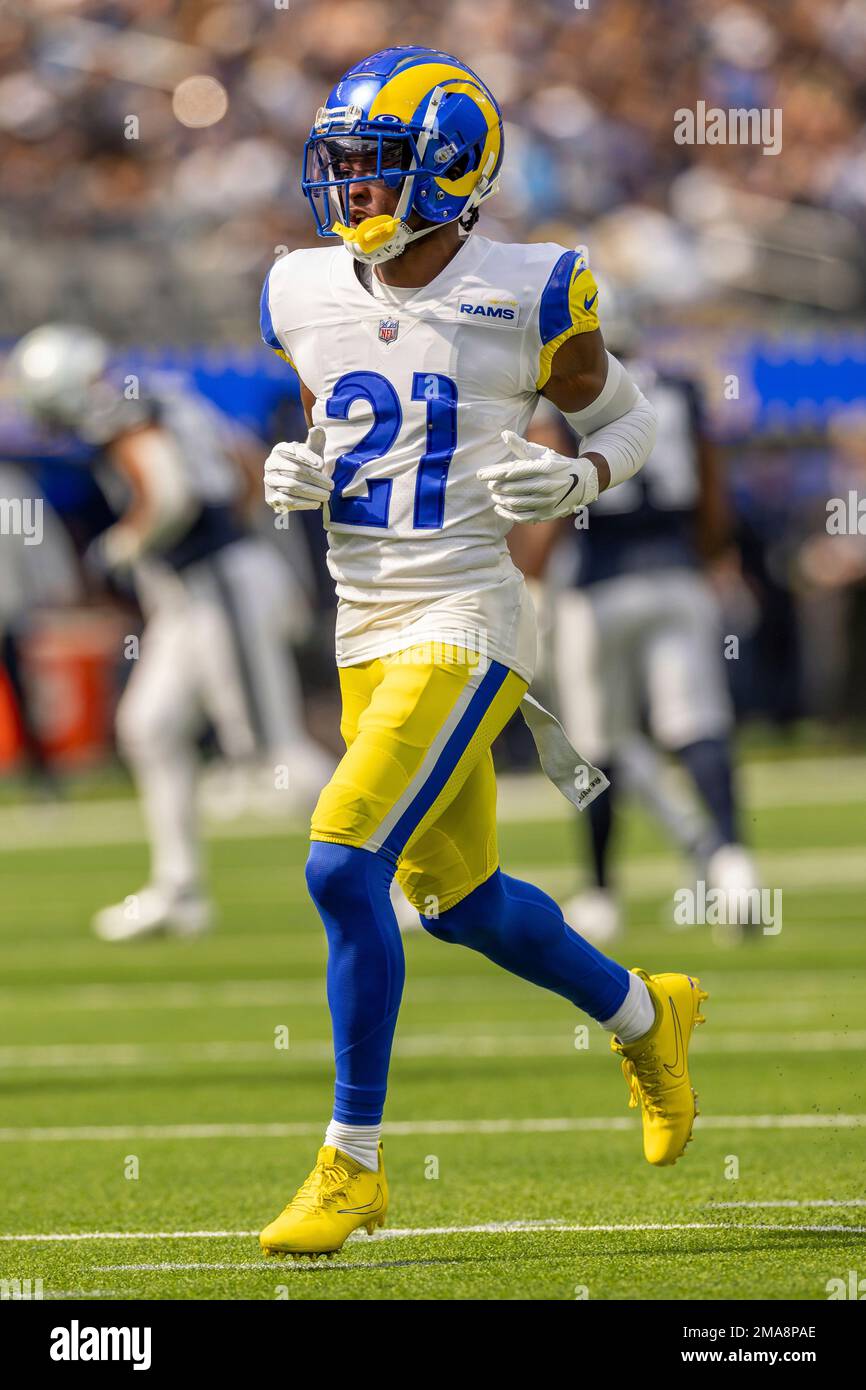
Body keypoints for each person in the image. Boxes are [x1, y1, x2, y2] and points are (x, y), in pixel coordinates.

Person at [256, 46, 707, 1260]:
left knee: (339, 863)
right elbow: (336, 419)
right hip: (362, 621)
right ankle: (643, 1013)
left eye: (373, 169)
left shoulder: (533, 286)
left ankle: (352, 1165)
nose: (348, 194)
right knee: (456, 908)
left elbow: (629, 415)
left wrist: (578, 473)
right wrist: (287, 473)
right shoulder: (298, 288)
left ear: (450, 168)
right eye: (341, 171)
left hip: (464, 614)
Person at [9, 324, 334, 941]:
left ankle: (399, 884)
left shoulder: (125, 410)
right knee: (150, 728)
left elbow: (170, 494)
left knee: (273, 753)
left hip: (218, 587)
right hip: (203, 589)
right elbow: (243, 468)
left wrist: (126, 545)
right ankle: (179, 890)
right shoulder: (166, 396)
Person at [516, 281, 758, 944]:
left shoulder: (562, 401)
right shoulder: (677, 386)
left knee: (596, 746)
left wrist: (523, 576)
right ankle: (733, 864)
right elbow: (712, 489)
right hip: (678, 576)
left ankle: (599, 891)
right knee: (698, 726)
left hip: (600, 588)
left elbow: (558, 496)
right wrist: (713, 558)